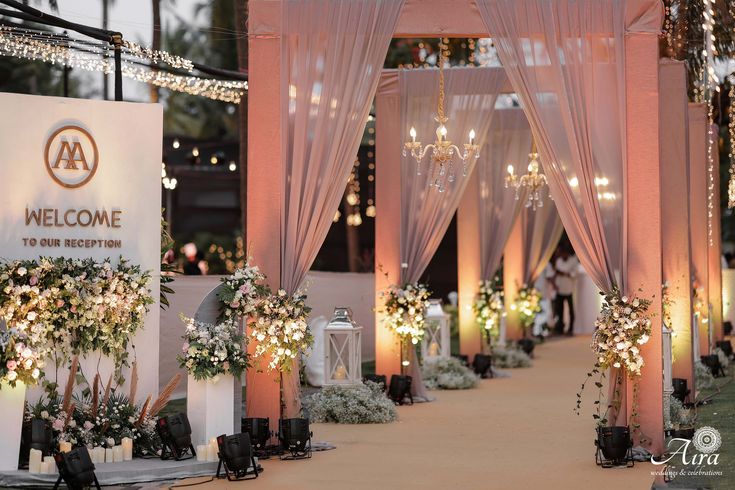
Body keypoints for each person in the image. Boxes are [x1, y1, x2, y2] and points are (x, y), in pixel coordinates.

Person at [552, 247, 578, 336]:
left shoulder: (572, 261)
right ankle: (560, 328)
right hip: (560, 288)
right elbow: (555, 272)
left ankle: (571, 329)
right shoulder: (558, 261)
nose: (563, 255)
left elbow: (574, 274)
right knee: (559, 310)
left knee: (571, 310)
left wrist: (565, 273)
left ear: (567, 253)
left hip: (569, 288)